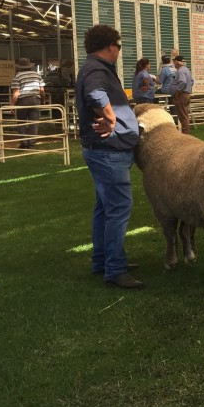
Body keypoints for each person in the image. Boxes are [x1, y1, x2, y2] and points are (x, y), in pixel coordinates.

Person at [75, 24, 143, 289]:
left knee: (104, 208)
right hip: (109, 151)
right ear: (110, 46)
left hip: (102, 151)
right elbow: (94, 94)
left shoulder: (94, 67)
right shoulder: (96, 69)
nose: (118, 50)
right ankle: (115, 269)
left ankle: (102, 260)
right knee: (118, 210)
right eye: (119, 45)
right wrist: (111, 117)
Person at [10, 57, 45, 149]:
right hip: (35, 99)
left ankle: (24, 142)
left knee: (21, 122)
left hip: (23, 100)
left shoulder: (18, 76)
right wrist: (43, 100)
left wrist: (12, 105)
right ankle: (32, 143)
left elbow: (16, 92)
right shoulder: (37, 75)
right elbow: (42, 89)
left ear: (20, 67)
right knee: (34, 123)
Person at [171, 55, 194, 134]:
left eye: (174, 62)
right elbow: (192, 81)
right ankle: (186, 134)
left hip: (181, 95)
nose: (174, 63)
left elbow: (183, 82)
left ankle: (185, 135)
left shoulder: (180, 71)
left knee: (183, 117)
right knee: (185, 116)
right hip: (185, 94)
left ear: (177, 62)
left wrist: (178, 92)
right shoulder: (187, 70)